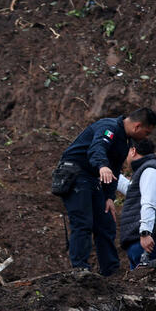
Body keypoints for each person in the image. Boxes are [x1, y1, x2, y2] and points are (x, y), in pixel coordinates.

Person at [58, 107, 156, 275]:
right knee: (83, 222)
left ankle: (110, 271)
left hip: (93, 181)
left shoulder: (125, 141)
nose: (146, 137)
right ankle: (80, 269)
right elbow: (97, 148)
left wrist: (109, 197)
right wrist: (102, 165)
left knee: (106, 224)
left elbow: (115, 168)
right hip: (76, 175)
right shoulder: (109, 128)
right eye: (147, 133)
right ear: (137, 126)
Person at [116, 138, 156, 269]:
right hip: (139, 242)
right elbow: (133, 192)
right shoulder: (145, 170)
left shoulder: (149, 170)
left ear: (133, 151)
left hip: (146, 242)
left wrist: (145, 233)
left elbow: (148, 202)